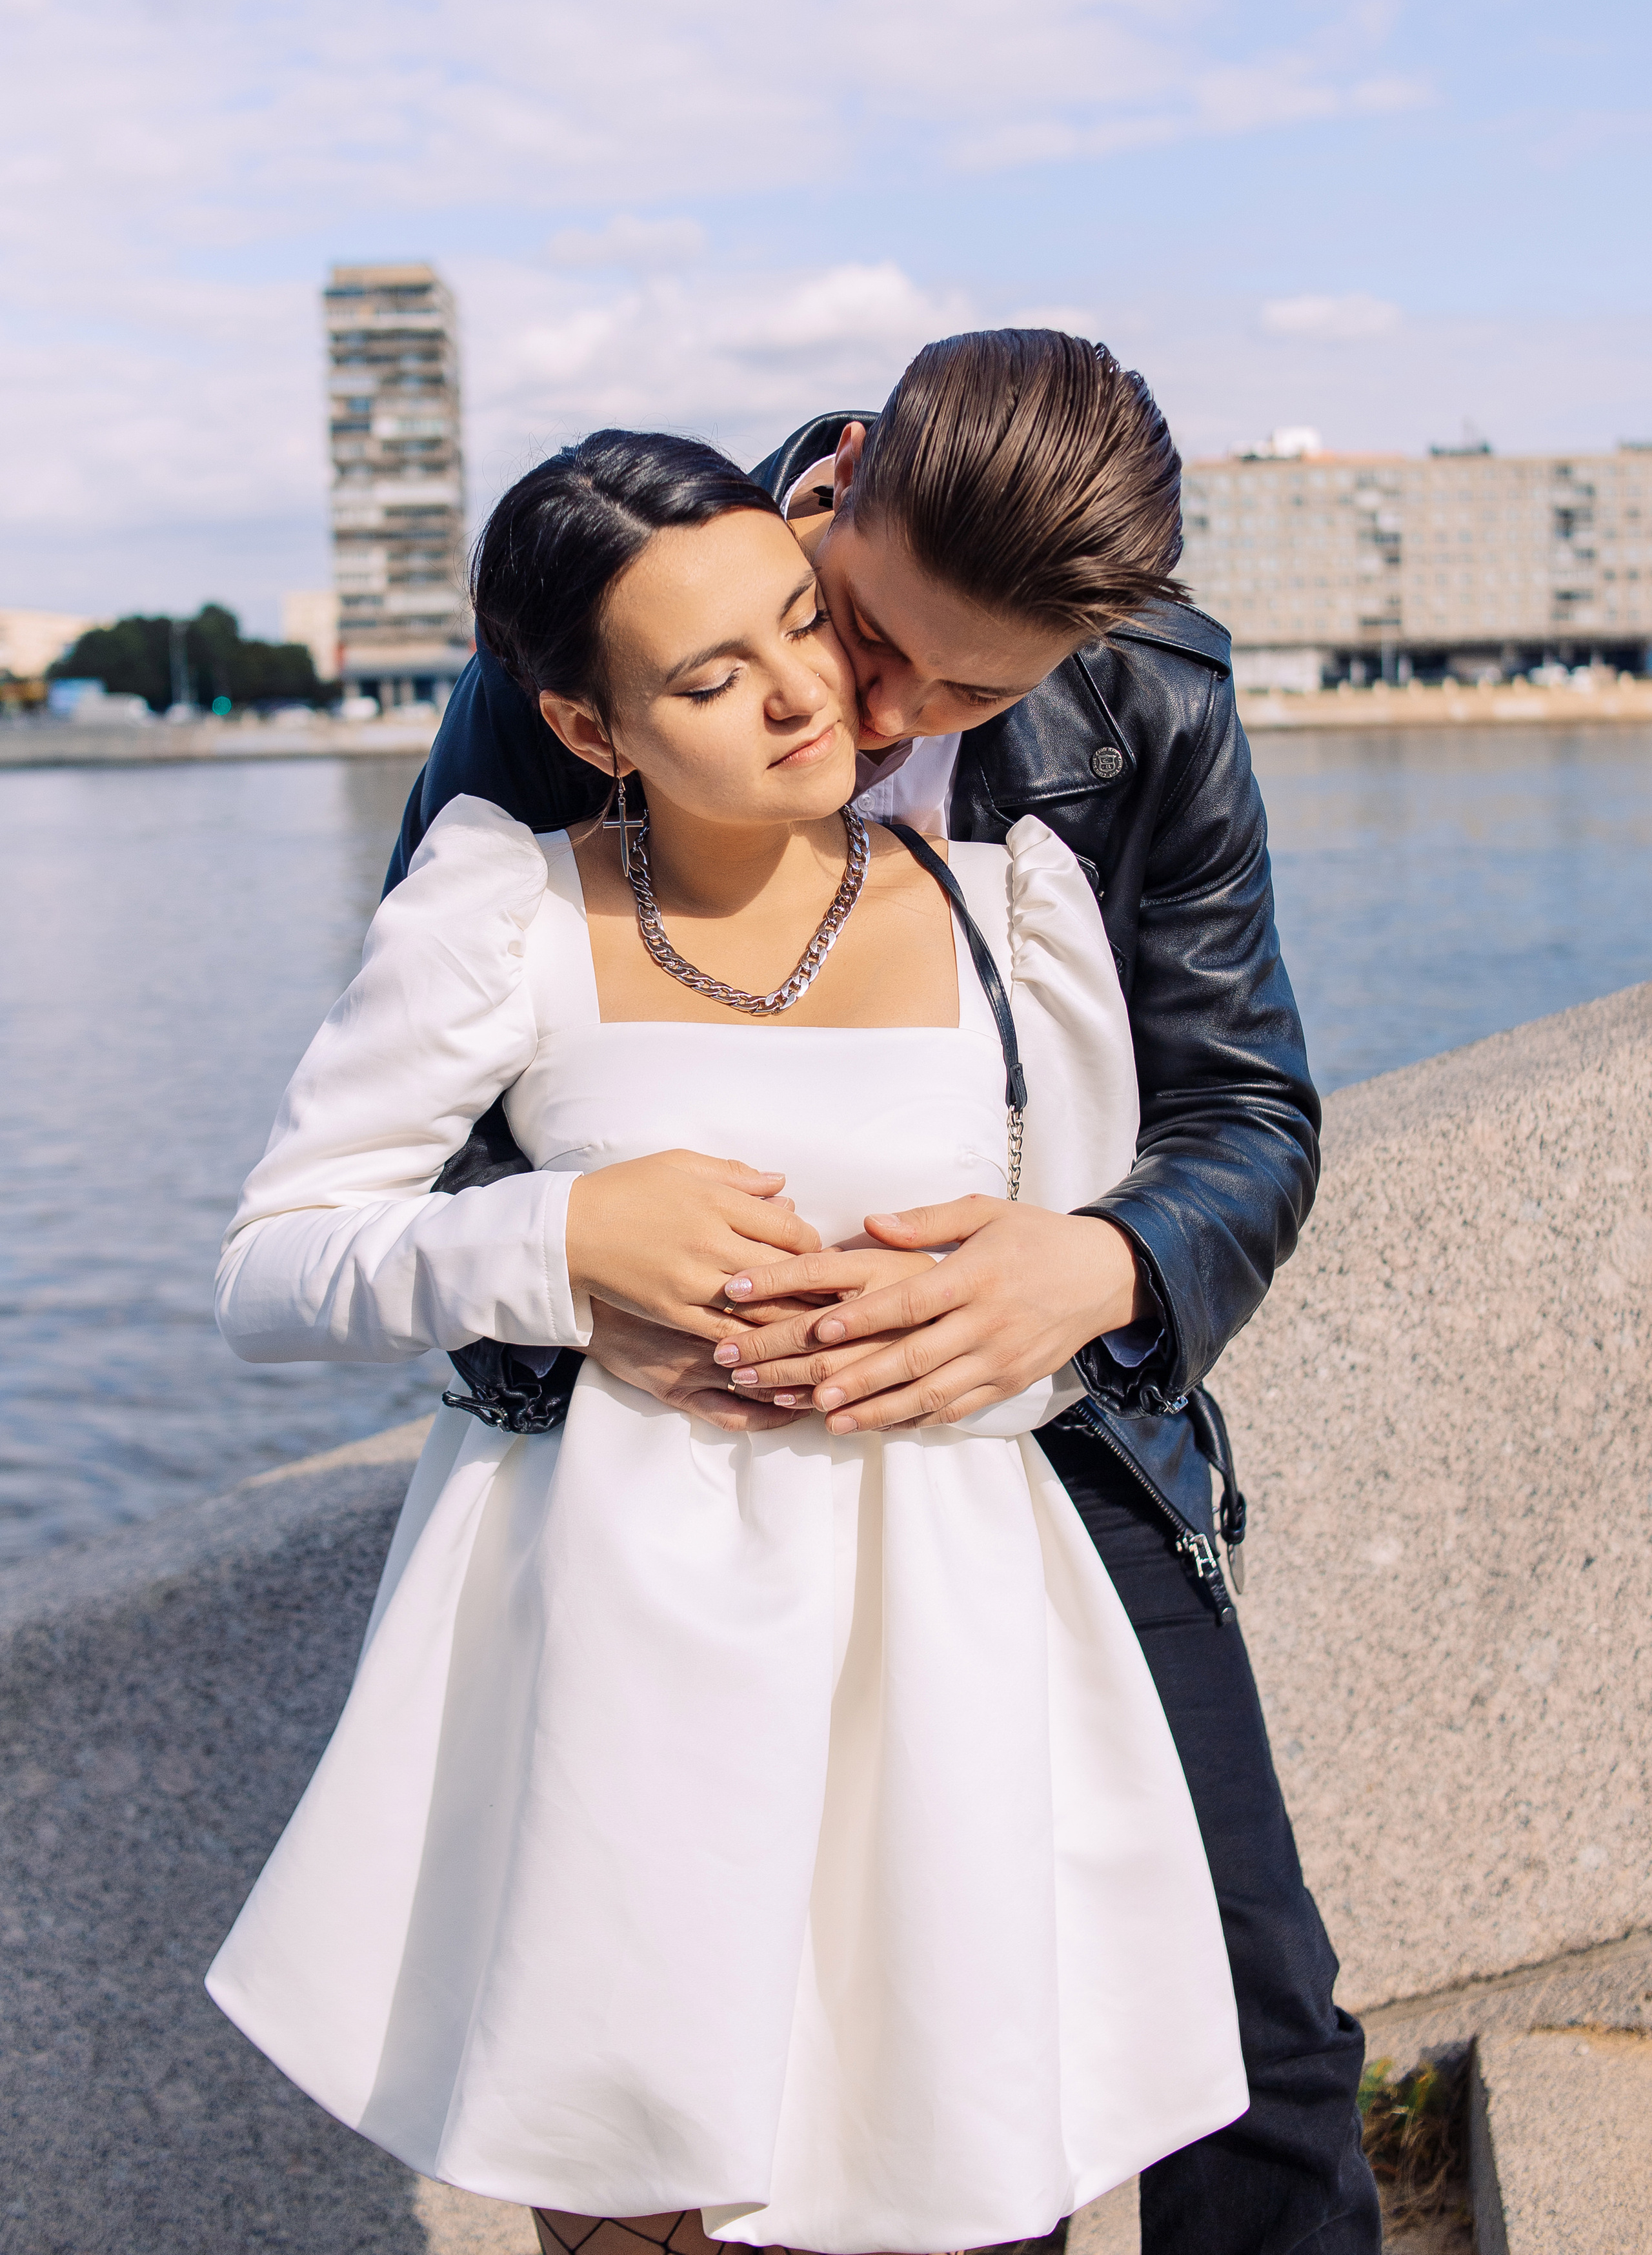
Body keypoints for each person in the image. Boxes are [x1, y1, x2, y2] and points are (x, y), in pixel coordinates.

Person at [384, 332, 1382, 2255]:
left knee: (1259, 2049)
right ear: (833, 491)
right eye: (867, 631)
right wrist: (587, 1279)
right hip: (684, 1478)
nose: (885, 701)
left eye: (973, 688)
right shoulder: (585, 661)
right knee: (809, 2104)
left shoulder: (1155, 700)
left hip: (1068, 1441)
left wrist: (1091, 1264)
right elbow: (413, 1141)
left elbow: (1248, 1109)